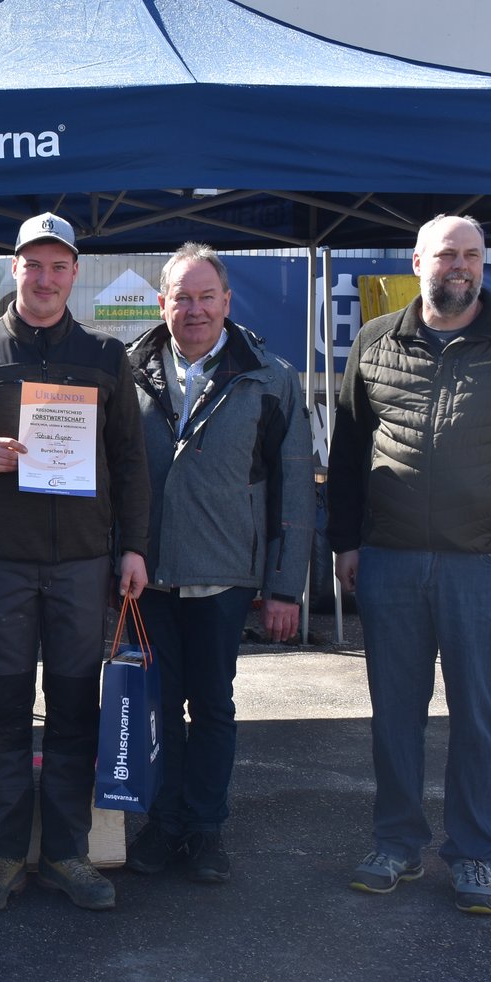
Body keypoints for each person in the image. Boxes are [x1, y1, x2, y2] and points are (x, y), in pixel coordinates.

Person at [329, 214, 491, 916]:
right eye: (447, 255)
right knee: (394, 717)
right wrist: (345, 540)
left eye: (472, 255)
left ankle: (474, 854)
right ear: (417, 262)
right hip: (390, 559)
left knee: (479, 718)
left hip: (483, 560)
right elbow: (347, 453)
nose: (460, 267)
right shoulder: (374, 342)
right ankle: (396, 845)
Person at [0, 211, 150, 914]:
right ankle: (3, 852)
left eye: (58, 266)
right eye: (33, 265)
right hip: (2, 562)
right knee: (2, 706)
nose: (45, 279)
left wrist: (134, 546)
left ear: (74, 273)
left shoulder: (106, 355)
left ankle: (67, 852)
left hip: (83, 562)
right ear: (13, 268)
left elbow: (130, 461)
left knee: (76, 708)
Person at [124, 242, 313, 883]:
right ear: (163, 303)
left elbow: (294, 489)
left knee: (212, 707)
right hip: (147, 577)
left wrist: (284, 587)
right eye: (183, 297)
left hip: (225, 574)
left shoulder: (270, 377)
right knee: (157, 709)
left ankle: (205, 829)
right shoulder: (128, 373)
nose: (195, 309)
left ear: (227, 302)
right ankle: (162, 824)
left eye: (208, 297)